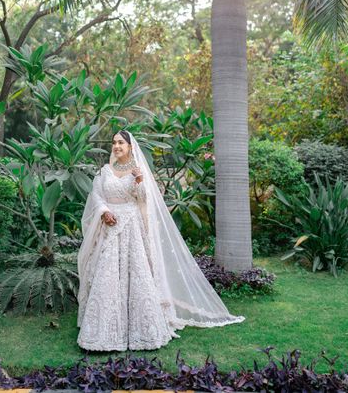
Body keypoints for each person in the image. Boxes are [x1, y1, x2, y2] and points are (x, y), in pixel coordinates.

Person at [77, 130, 245, 351]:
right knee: (107, 275)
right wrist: (104, 211)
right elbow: (97, 196)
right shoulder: (105, 171)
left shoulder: (137, 170)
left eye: (121, 143)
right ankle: (102, 330)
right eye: (114, 142)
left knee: (137, 275)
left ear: (130, 147)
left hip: (132, 227)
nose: (116, 146)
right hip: (109, 227)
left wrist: (139, 180)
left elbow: (145, 199)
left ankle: (143, 329)